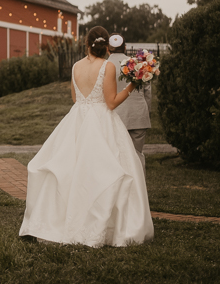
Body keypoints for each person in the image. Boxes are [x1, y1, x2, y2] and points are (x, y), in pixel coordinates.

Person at [19, 26, 154, 247]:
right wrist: (131, 86)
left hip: (77, 120)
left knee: (71, 170)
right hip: (102, 121)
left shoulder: (75, 67)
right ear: (106, 47)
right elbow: (110, 102)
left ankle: (62, 221)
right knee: (104, 170)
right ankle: (103, 224)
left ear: (86, 44)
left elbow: (75, 98)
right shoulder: (108, 66)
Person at [108, 34, 152, 172]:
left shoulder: (104, 66)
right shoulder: (138, 65)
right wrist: (146, 112)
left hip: (115, 117)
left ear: (107, 49)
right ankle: (140, 190)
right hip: (138, 116)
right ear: (125, 47)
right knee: (137, 155)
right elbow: (148, 92)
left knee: (116, 157)